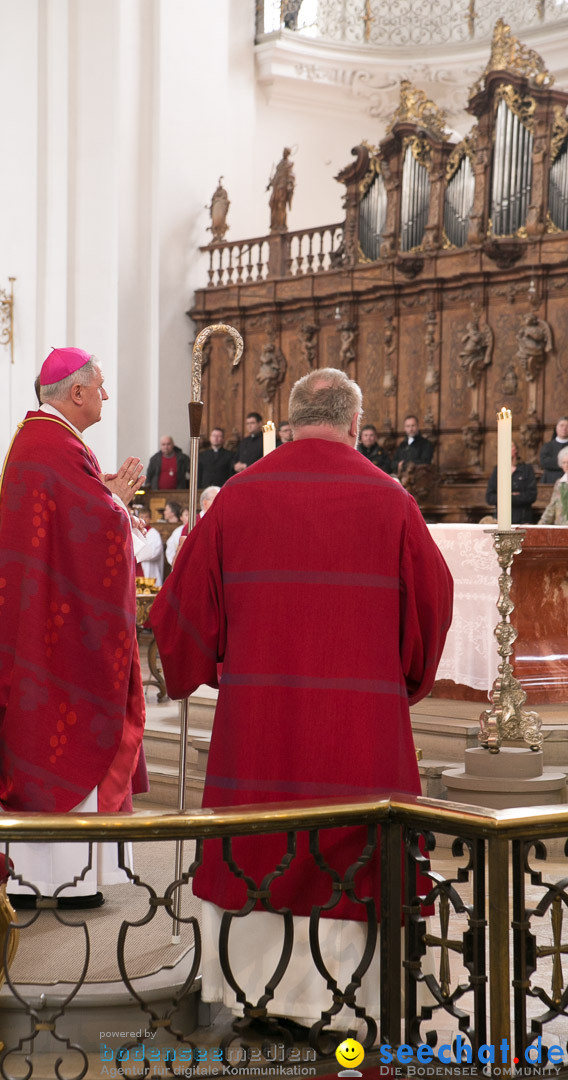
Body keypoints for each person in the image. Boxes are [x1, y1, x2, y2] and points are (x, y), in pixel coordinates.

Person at [150, 366, 453, 1026]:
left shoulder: (237, 496)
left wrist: (205, 659)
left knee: (260, 839)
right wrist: (400, 680)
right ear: (354, 423)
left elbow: (180, 619)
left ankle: (253, 994)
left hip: (259, 728)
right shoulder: (391, 500)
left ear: (287, 424)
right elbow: (431, 610)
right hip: (359, 729)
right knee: (355, 840)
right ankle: (349, 1009)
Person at [0, 346, 148, 907]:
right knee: (62, 734)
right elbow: (91, 530)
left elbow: (73, 521)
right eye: (101, 387)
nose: (106, 397)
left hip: (43, 626)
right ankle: (63, 881)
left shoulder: (45, 440)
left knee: (37, 735)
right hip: (60, 640)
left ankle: (32, 878)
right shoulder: (55, 444)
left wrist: (103, 498)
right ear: (76, 392)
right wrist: (114, 503)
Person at [485, 442, 537, 525]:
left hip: (523, 519)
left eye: (510, 446)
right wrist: (513, 496)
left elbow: (531, 496)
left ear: (515, 449)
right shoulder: (498, 470)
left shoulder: (526, 469)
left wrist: (506, 497)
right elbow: (490, 497)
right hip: (501, 520)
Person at [135, 507, 165, 586]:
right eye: (142, 517)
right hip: (137, 567)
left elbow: (155, 552)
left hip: (149, 568)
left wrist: (139, 554)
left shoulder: (154, 534)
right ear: (138, 518)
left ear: (150, 518)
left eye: (146, 517)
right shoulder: (135, 532)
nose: (144, 519)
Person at [539, 446, 568, 525]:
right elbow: (552, 506)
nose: (566, 465)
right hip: (561, 527)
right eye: (564, 462)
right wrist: (540, 525)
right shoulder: (559, 483)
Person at [539, 417, 568, 484]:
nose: (564, 428)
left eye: (567, 426)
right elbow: (544, 462)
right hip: (550, 479)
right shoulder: (547, 446)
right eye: (562, 425)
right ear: (556, 428)